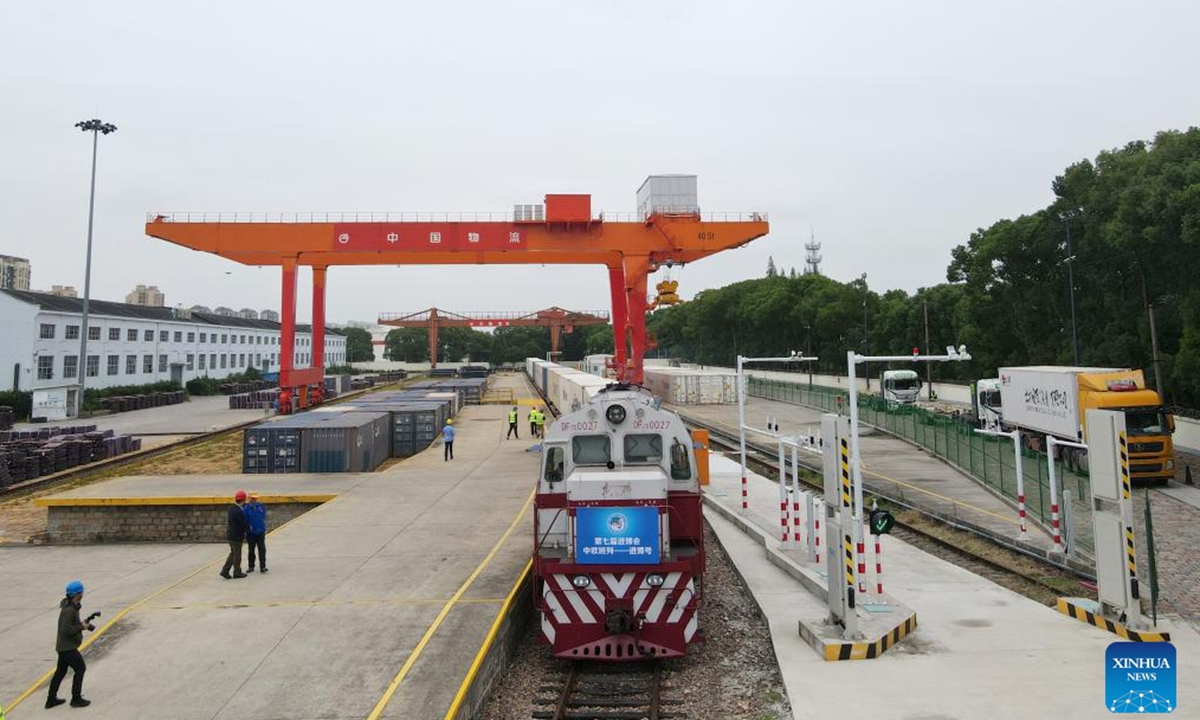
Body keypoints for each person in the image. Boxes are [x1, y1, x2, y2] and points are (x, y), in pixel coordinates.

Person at [46, 580, 93, 708]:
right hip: (68, 648)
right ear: (77, 594)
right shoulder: (69, 610)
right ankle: (76, 698)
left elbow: (70, 626)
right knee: (80, 668)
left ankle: (51, 699)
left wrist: (82, 624)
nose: (82, 595)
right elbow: (65, 630)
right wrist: (81, 627)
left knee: (60, 672)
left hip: (63, 647)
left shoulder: (71, 607)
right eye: (81, 592)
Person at [221, 490, 248, 579]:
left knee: (233, 553)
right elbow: (242, 524)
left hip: (231, 535)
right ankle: (237, 572)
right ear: (243, 500)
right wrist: (249, 528)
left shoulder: (231, 509)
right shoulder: (238, 511)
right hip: (237, 537)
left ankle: (225, 571)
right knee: (237, 555)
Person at [244, 492, 268, 573]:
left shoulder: (260, 506)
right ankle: (251, 566)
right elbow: (244, 520)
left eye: (256, 498)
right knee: (251, 550)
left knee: (262, 549)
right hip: (251, 533)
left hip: (260, 531)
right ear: (249, 499)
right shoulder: (246, 508)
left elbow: (263, 516)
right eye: (253, 498)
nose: (255, 500)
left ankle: (263, 566)